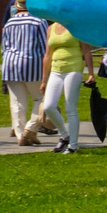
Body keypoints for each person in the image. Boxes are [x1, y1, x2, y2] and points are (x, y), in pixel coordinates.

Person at [0, 0, 50, 147]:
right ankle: (30, 129)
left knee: (17, 103)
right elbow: (44, 48)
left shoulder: (9, 22)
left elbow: (4, 47)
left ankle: (21, 135)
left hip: (10, 65)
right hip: (32, 64)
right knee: (41, 99)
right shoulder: (39, 21)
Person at [37, 17, 89, 154]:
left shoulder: (76, 26)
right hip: (56, 70)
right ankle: (65, 135)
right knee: (48, 106)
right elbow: (47, 55)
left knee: (70, 107)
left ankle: (73, 146)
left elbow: (86, 50)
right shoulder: (51, 28)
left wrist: (90, 73)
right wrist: (44, 80)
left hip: (73, 68)